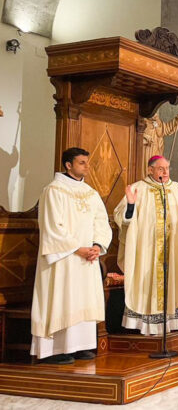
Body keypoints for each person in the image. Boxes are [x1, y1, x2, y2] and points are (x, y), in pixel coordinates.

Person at [30, 148, 112, 364]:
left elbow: (101, 221)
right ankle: (54, 349)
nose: (87, 167)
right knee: (61, 298)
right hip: (63, 258)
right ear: (68, 165)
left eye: (87, 162)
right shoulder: (53, 191)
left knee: (82, 299)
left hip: (87, 258)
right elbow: (52, 226)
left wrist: (96, 245)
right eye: (82, 163)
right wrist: (77, 248)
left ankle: (79, 346)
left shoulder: (91, 193)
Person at [113, 155, 178, 335]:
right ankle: (148, 325)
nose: (165, 172)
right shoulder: (138, 189)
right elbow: (121, 218)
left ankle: (171, 323)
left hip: (173, 250)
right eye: (160, 169)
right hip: (147, 251)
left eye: (167, 168)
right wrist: (131, 206)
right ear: (150, 170)